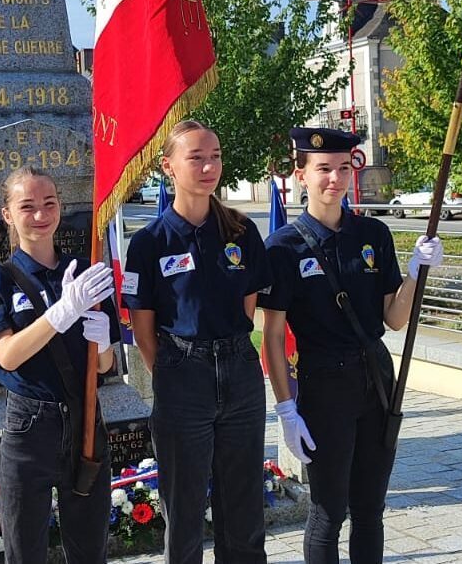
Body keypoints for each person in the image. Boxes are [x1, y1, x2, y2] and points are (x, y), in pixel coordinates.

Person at [259, 127, 444, 564]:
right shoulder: (282, 247)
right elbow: (271, 338)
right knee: (328, 512)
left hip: (376, 382)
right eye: (323, 169)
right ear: (301, 174)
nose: (334, 179)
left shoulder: (372, 235)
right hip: (325, 388)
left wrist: (416, 271)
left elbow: (394, 319)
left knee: (369, 510)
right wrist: (286, 409)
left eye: (343, 168)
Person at [122, 120, 271, 564]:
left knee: (243, 507)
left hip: (240, 372)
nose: (209, 166)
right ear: (169, 167)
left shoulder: (241, 232)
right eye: (196, 158)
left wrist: (224, 353)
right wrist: (175, 372)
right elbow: (142, 326)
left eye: (216, 156)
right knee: (184, 510)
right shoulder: (150, 242)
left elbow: (248, 306)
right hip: (182, 374)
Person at [0, 166, 119, 564]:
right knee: (25, 550)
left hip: (85, 419)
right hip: (29, 428)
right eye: (27, 206)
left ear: (61, 207)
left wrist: (101, 339)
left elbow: (104, 366)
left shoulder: (85, 273)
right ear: (8, 215)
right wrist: (61, 312)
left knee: (89, 550)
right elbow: (8, 355)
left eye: (49, 203)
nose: (40, 214)